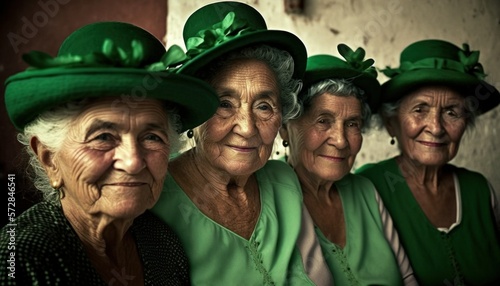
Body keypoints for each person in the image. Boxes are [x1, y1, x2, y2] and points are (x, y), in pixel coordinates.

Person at [0, 21, 219, 285]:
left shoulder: (162, 243)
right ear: (49, 159)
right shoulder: (21, 258)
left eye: (151, 137)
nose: (133, 161)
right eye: (103, 137)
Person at [151, 2, 332, 285]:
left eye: (263, 106)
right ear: (194, 113)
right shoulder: (155, 198)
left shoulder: (283, 182)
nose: (247, 129)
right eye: (224, 104)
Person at [356, 39, 500, 285]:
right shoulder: (369, 187)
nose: (436, 128)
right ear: (392, 123)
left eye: (452, 112)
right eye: (420, 109)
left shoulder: (479, 189)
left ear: (466, 124)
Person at [280, 44, 417, 285]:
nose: (341, 141)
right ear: (284, 128)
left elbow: (407, 278)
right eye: (323, 121)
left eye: (352, 124)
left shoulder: (366, 191)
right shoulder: (269, 196)